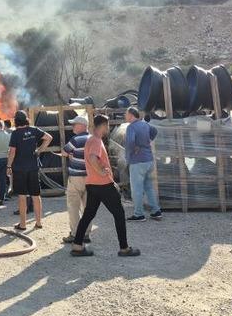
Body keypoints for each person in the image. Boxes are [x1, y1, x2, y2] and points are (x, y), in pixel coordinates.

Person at [71, 115, 141, 258]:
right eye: (107, 126)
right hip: (102, 185)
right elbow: (92, 158)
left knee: (88, 215)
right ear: (103, 126)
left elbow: (92, 159)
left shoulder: (91, 140)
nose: (108, 128)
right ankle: (124, 248)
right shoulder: (96, 141)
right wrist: (102, 172)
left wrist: (106, 176)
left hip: (92, 184)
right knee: (119, 214)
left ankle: (77, 246)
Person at [7, 110, 52, 230]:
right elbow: (49, 138)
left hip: (19, 169)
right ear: (26, 119)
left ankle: (23, 224)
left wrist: (9, 166)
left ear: (16, 121)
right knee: (36, 196)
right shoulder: (34, 130)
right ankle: (38, 222)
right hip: (33, 168)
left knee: (22, 196)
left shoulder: (15, 134)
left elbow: (12, 152)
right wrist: (39, 150)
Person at [124, 107, 162, 221]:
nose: (125, 116)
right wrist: (148, 141)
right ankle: (156, 211)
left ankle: (139, 214)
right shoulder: (145, 124)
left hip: (137, 161)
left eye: (126, 114)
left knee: (137, 189)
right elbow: (155, 131)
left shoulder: (131, 127)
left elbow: (130, 142)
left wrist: (131, 152)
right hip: (148, 159)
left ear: (131, 115)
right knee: (149, 187)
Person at [60, 116, 91, 244]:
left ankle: (75, 234)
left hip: (76, 177)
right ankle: (86, 234)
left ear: (82, 126)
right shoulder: (94, 139)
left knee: (73, 206)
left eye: (75, 124)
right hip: (91, 179)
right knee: (88, 208)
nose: (73, 126)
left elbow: (64, 152)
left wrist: (70, 155)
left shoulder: (76, 139)